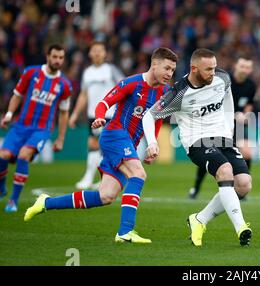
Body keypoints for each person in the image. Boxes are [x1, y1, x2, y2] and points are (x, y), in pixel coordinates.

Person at [24, 47, 178, 244]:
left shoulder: (164, 92)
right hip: (114, 135)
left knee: (105, 196)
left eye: (172, 70)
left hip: (128, 143)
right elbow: (104, 103)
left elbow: (155, 120)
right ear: (154, 64)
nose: (169, 74)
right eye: (166, 68)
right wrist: (98, 118)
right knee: (138, 174)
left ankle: (46, 202)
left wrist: (152, 144)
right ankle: (125, 232)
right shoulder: (131, 83)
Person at [143, 48, 252, 246]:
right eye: (208, 69)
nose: (213, 72)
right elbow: (149, 115)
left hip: (223, 138)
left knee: (244, 184)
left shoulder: (222, 77)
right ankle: (241, 227)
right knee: (225, 172)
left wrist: (229, 128)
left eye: (214, 67)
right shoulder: (179, 92)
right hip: (197, 141)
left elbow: (228, 98)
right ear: (194, 69)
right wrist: (152, 142)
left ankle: (199, 219)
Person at [0, 44, 72, 213]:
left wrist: (61, 138)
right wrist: (9, 115)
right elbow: (17, 95)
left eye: (61, 58)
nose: (58, 61)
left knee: (24, 155)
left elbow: (63, 113)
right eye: (55, 57)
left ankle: (13, 200)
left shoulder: (65, 85)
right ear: (47, 55)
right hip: (20, 125)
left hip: (42, 129)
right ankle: (2, 187)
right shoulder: (31, 73)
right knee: (3, 155)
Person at [188, 57, 256, 200]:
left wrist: (245, 115)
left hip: (236, 124)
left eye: (248, 67)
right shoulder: (223, 80)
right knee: (211, 154)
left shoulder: (251, 85)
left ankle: (240, 188)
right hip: (217, 122)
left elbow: (249, 104)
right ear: (235, 65)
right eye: (242, 66)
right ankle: (196, 188)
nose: (245, 69)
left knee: (247, 152)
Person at [69, 41, 124, 190]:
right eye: (95, 50)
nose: (98, 53)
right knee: (93, 145)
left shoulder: (111, 70)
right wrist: (74, 114)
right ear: (90, 53)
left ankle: (104, 178)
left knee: (106, 147)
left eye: (100, 50)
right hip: (92, 115)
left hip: (110, 115)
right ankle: (90, 178)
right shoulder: (87, 72)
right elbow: (83, 95)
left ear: (105, 53)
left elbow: (124, 88)